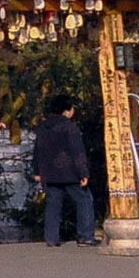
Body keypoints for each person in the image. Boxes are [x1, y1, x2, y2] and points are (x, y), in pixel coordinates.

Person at [32, 94, 97, 247]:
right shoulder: (69, 126)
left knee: (53, 204)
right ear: (67, 110)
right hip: (70, 172)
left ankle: (51, 238)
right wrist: (83, 172)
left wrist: (37, 171)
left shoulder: (43, 127)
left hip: (49, 172)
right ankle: (85, 236)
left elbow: (37, 150)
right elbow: (77, 151)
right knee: (84, 200)